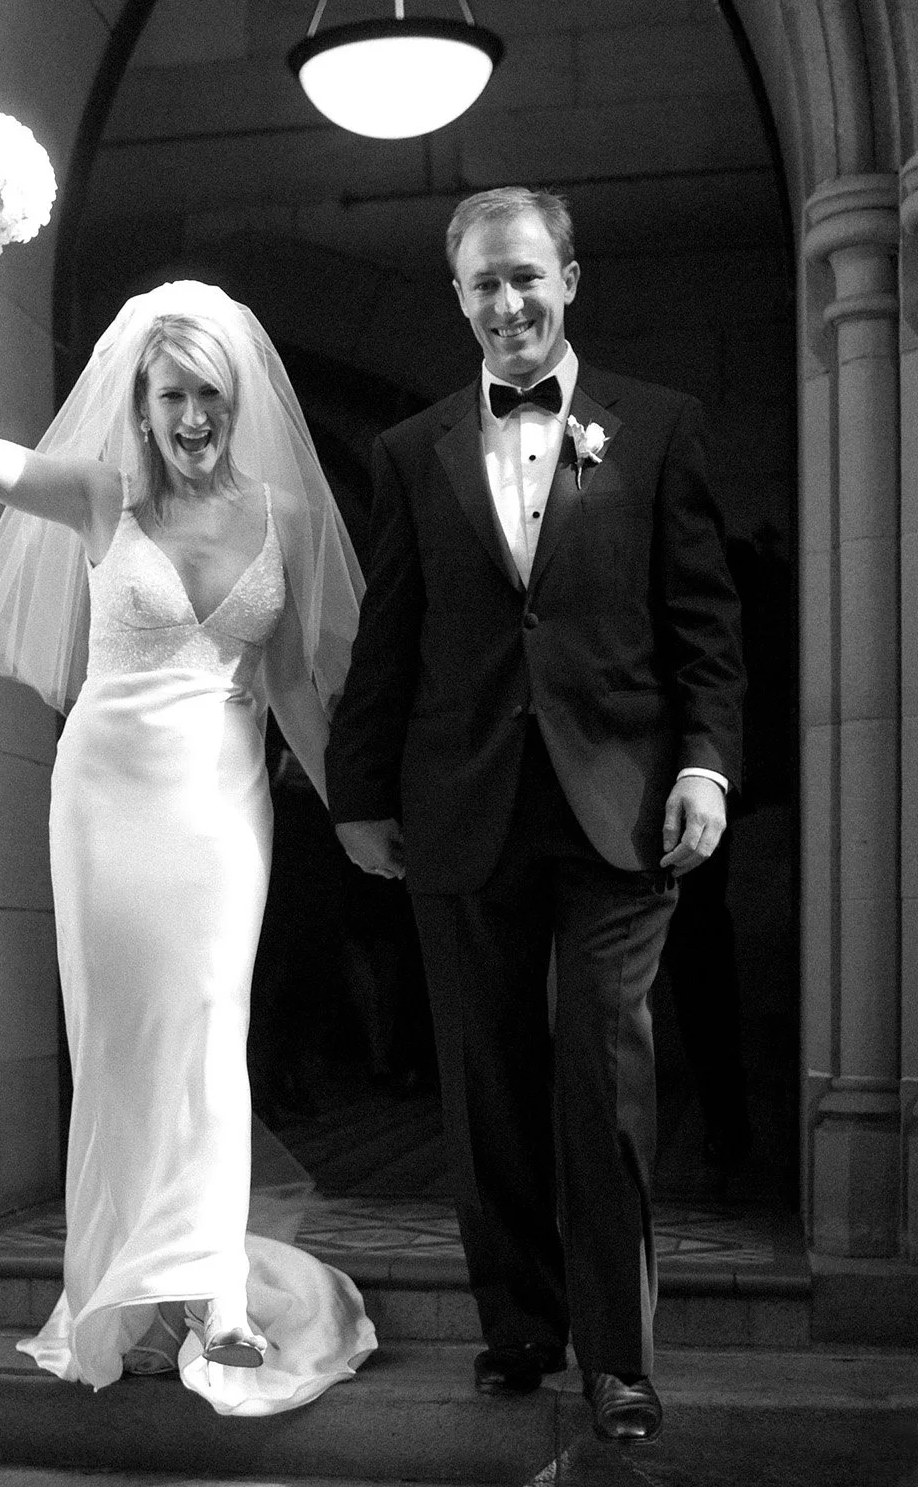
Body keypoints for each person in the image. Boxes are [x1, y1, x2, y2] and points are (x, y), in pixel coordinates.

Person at [0, 228, 375, 1417]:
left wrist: (355, 819)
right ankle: (120, 1295)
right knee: (123, 1046)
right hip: (105, 800)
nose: (193, 417)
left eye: (210, 396)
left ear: (236, 402)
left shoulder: (276, 512)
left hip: (222, 806)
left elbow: (290, 689)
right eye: (172, 394)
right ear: (140, 399)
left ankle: (218, 1298)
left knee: (209, 1029)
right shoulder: (97, 496)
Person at [324, 187, 743, 1443]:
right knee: (485, 1079)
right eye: (482, 286)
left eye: (525, 278)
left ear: (569, 279)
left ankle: (619, 1358)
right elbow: (386, 637)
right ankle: (519, 1325)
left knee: (604, 1072)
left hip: (619, 806)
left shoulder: (662, 430)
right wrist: (357, 797)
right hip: (462, 806)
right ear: (456, 299)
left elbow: (705, 627)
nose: (506, 305)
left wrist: (707, 765)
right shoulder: (411, 452)